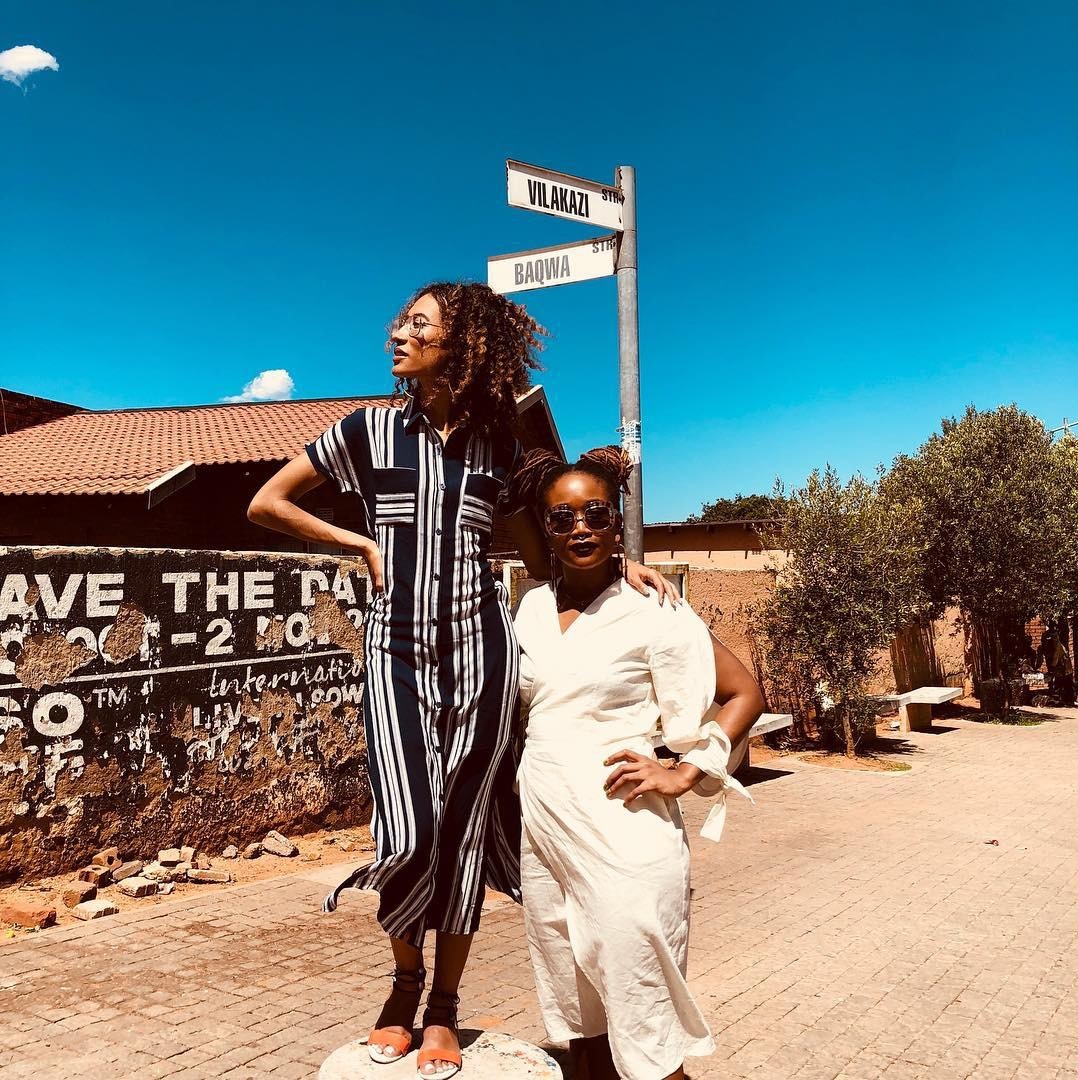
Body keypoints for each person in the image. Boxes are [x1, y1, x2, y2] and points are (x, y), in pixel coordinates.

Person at [247, 283, 676, 1079]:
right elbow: (266, 503)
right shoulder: (366, 432)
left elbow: (548, 551)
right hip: (394, 651)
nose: (397, 334)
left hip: (482, 650)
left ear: (464, 345)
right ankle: (404, 978)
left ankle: (441, 1003)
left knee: (463, 829)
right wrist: (356, 543)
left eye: (419, 324)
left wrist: (620, 567)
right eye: (401, 321)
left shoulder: (500, 448)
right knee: (409, 829)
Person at [507, 446, 764, 1080]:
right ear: (545, 529)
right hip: (545, 833)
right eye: (562, 518)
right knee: (576, 1009)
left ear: (618, 520)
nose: (580, 528)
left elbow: (745, 693)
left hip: (624, 832)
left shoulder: (655, 609)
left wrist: (685, 772)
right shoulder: (530, 608)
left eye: (596, 514)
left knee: (643, 1004)